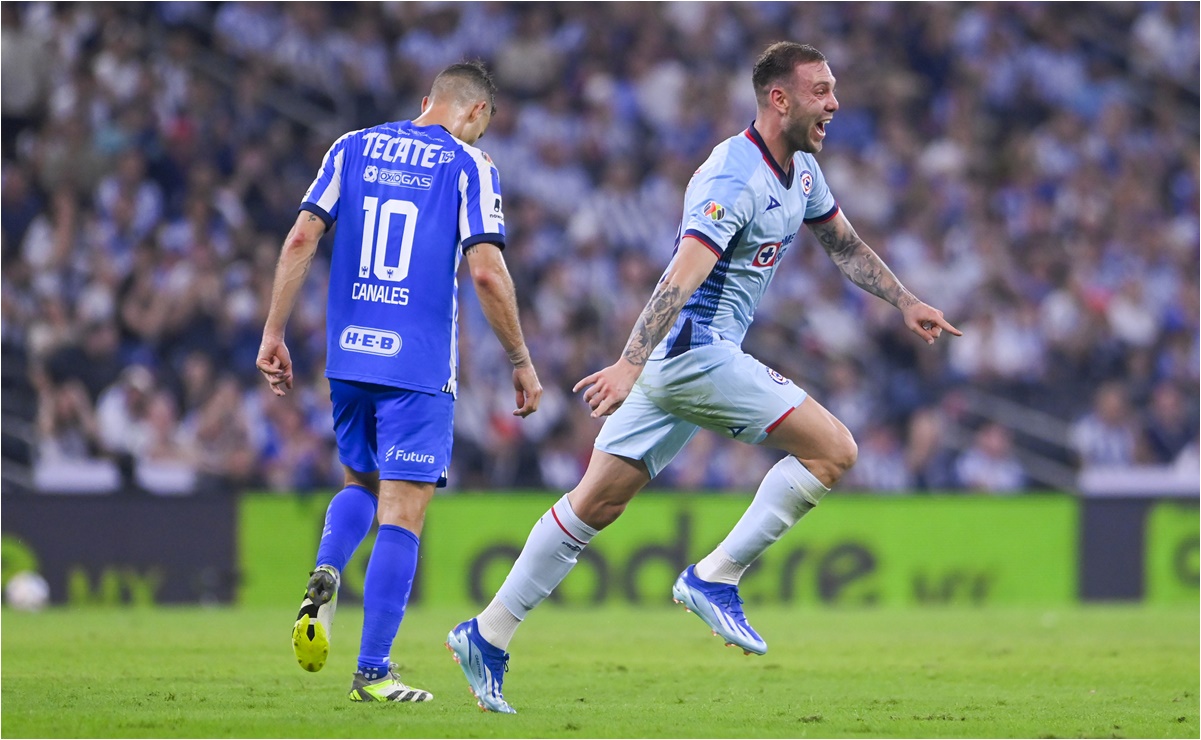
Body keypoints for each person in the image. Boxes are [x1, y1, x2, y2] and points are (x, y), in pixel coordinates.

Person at [447, 42, 960, 714]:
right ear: (779, 98)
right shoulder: (732, 176)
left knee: (593, 503)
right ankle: (715, 576)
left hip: (678, 361)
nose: (834, 104)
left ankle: (487, 633)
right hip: (693, 351)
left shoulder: (801, 169)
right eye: (821, 91)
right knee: (834, 450)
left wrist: (904, 300)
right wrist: (630, 360)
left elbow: (842, 243)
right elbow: (680, 274)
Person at [256, 61, 542, 704]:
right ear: (474, 114)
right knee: (405, 512)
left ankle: (328, 567)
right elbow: (488, 274)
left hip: (349, 356)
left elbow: (303, 235)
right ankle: (373, 672)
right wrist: (521, 359)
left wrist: (273, 332)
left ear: (426, 101)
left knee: (359, 482)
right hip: (416, 365)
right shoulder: (471, 165)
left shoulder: (350, 146)